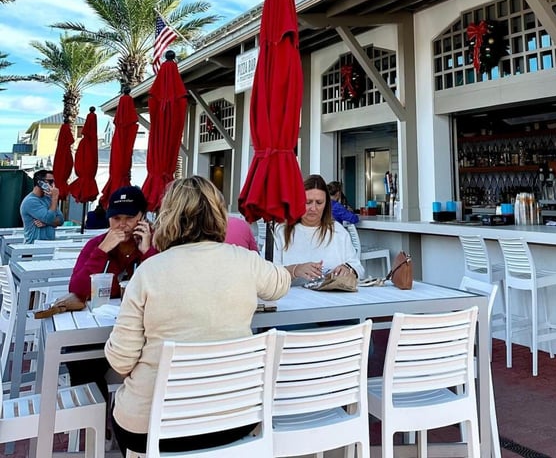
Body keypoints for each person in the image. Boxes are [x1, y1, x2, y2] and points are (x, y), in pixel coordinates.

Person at [104, 176, 291, 456]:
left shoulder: (148, 272)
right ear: (219, 215)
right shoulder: (245, 260)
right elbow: (281, 283)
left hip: (154, 426)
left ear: (168, 216)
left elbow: (120, 361)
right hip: (236, 416)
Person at [69, 186, 155, 302]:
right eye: (116, 218)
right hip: (101, 311)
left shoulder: (157, 243)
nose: (122, 224)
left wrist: (148, 253)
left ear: (143, 217)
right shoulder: (96, 244)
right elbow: (76, 290)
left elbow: (163, 289)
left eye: (129, 218)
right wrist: (102, 250)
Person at [275, 174, 364, 283]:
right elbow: (268, 273)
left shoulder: (338, 231)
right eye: (308, 202)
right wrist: (295, 270)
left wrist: (348, 270)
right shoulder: (281, 232)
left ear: (326, 205)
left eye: (319, 203)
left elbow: (358, 268)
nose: (313, 208)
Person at [19, 169, 64, 243]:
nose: (53, 185)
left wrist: (46, 222)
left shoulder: (49, 199)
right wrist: (55, 198)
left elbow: (61, 220)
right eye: (50, 182)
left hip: (49, 244)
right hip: (33, 245)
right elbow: (49, 218)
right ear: (40, 183)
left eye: (54, 182)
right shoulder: (30, 201)